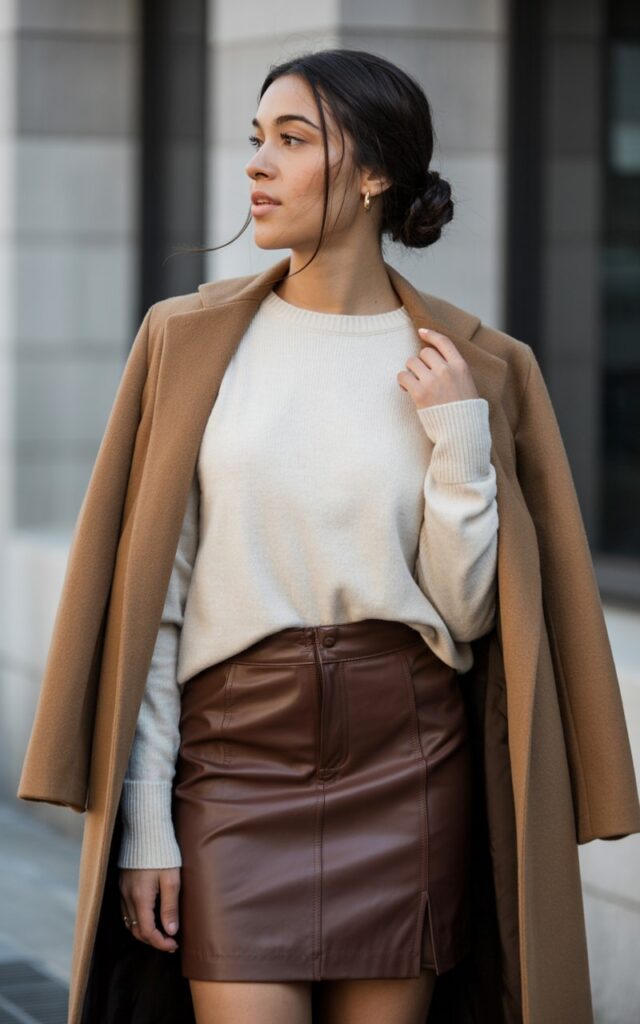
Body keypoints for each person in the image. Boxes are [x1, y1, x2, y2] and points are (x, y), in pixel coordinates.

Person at [116, 48, 497, 1024]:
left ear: (374, 173)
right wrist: (146, 822)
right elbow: (157, 606)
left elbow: (468, 613)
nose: (257, 165)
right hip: (236, 757)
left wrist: (458, 438)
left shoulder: (467, 364)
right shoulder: (192, 341)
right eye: (256, 140)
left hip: (406, 754)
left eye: (291, 140)